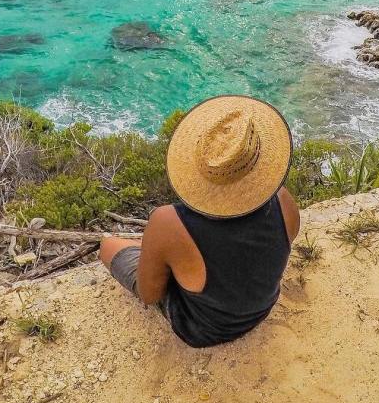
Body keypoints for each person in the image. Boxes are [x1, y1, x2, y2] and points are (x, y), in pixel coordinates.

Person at [99, 95, 300, 348]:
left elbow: (150, 295)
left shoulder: (167, 220)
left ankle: (138, 249)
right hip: (260, 310)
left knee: (107, 244)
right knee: (174, 253)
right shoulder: (283, 200)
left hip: (202, 330)